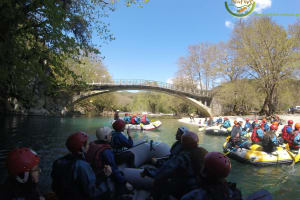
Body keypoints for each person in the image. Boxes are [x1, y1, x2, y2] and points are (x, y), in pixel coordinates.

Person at [143, 131, 208, 200]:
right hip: (199, 185)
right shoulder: (203, 152)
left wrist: (148, 171)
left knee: (161, 184)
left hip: (185, 186)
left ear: (183, 143)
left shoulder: (184, 156)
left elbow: (165, 171)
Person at [51, 132, 111, 200]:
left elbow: (55, 186)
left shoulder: (58, 161)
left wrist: (101, 174)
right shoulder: (82, 165)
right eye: (88, 144)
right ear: (82, 148)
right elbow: (91, 192)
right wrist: (105, 176)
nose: (89, 145)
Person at [86, 127, 133, 198]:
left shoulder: (92, 145)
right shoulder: (106, 151)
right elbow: (114, 169)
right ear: (105, 137)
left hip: (92, 172)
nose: (111, 136)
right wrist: (125, 182)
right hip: (100, 174)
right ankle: (120, 195)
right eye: (110, 135)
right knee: (119, 175)